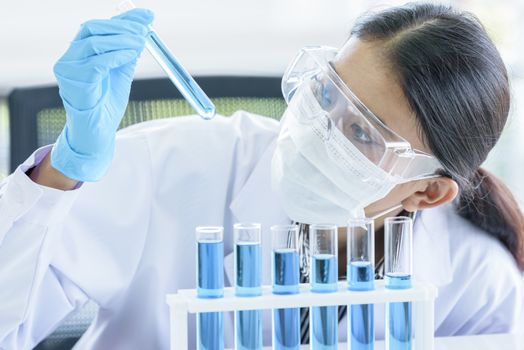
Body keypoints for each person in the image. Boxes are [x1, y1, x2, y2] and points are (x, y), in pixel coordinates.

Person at [1, 2, 523, 349]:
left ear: (427, 191)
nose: (320, 131)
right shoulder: (179, 165)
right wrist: (61, 175)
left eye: (362, 133)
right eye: (325, 93)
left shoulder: (477, 281)